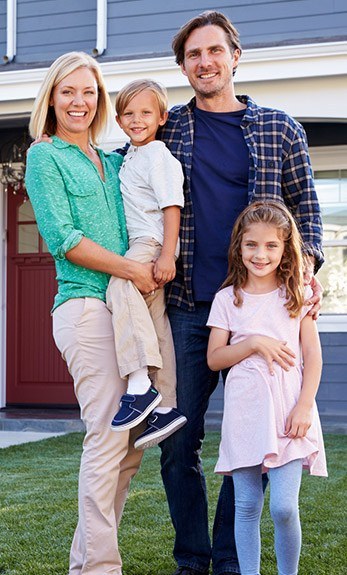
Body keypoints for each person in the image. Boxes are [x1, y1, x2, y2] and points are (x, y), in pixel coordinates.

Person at [156, 11, 324, 575]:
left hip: (263, 304)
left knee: (250, 440)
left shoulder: (280, 129)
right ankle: (192, 558)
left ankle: (232, 557)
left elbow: (308, 214)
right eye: (193, 55)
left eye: (214, 51)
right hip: (189, 304)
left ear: (235, 56)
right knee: (179, 438)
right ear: (184, 66)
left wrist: (307, 273)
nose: (204, 62)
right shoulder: (169, 131)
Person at [25, 51, 161, 575]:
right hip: (84, 305)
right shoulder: (45, 156)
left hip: (127, 308)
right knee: (108, 435)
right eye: (68, 92)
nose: (79, 102)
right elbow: (65, 239)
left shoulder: (115, 160)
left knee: (129, 448)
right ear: (52, 99)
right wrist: (132, 271)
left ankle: (86, 563)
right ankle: (101, 568)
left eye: (88, 92)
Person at [207, 201, 327, 575]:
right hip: (245, 415)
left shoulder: (296, 297)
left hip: (290, 412)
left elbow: (313, 357)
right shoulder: (228, 299)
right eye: (251, 245)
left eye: (271, 246)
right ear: (239, 248)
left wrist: (305, 405)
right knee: (246, 507)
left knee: (283, 507)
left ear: (285, 246)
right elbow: (215, 358)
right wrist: (255, 342)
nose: (260, 254)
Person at [107, 79, 187, 448]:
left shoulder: (157, 155)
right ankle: (167, 406)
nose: (136, 120)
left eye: (145, 113)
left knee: (120, 285)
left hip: (150, 242)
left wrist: (167, 254)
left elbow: (172, 206)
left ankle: (139, 383)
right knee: (156, 321)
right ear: (120, 119)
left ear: (161, 117)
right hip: (148, 244)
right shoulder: (130, 156)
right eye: (128, 114)